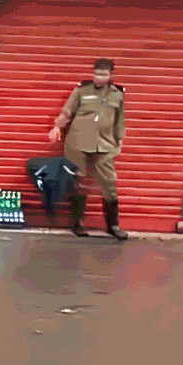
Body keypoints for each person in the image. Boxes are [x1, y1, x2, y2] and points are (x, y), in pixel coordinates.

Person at [47, 58, 128, 240]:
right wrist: (57, 127)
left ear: (110, 75)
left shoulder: (118, 94)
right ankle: (78, 223)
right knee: (79, 182)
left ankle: (113, 225)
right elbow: (67, 111)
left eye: (104, 74)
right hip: (78, 142)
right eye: (97, 73)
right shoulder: (81, 90)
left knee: (109, 184)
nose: (99, 77)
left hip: (105, 144)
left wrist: (119, 142)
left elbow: (119, 121)